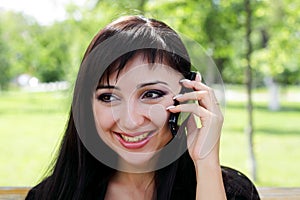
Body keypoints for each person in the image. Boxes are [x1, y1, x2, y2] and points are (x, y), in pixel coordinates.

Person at [25, 15, 260, 200]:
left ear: (188, 95)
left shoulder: (230, 192)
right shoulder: (52, 195)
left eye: (151, 94)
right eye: (108, 97)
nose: (130, 120)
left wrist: (206, 163)